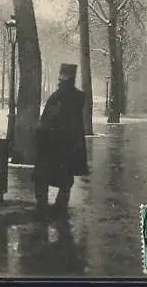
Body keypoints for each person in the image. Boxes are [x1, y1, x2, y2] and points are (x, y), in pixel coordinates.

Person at [32, 63, 89, 217]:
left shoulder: (58, 96)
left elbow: (48, 118)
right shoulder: (78, 97)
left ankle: (42, 205)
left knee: (42, 174)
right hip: (70, 143)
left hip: (53, 142)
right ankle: (60, 205)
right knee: (66, 176)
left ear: (63, 77)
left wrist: (40, 134)